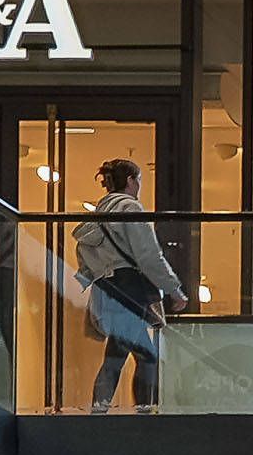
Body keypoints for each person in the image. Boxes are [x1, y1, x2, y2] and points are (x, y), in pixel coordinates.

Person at [70, 159, 177, 413]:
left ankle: (124, 405)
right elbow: (149, 254)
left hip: (108, 288)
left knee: (142, 353)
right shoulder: (131, 209)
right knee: (120, 351)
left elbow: (85, 256)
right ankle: (122, 406)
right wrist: (174, 288)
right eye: (138, 179)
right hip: (131, 287)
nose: (139, 185)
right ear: (130, 180)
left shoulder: (97, 217)